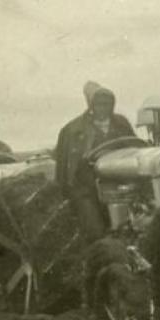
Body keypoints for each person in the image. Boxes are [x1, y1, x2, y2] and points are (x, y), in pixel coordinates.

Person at [55, 82, 136, 231]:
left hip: (122, 179)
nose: (103, 108)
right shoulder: (73, 129)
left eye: (107, 103)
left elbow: (134, 147)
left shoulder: (121, 123)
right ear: (91, 105)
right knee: (92, 222)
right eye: (98, 104)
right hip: (87, 185)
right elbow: (63, 165)